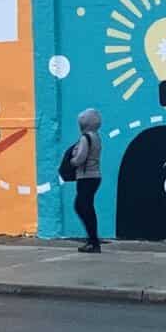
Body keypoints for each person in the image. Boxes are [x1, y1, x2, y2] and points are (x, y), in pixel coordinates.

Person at [70, 107, 104, 252]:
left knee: (82, 206)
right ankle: (93, 240)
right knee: (86, 207)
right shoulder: (96, 137)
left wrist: (72, 161)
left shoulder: (85, 138)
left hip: (86, 177)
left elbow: (80, 158)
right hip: (94, 176)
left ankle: (93, 241)